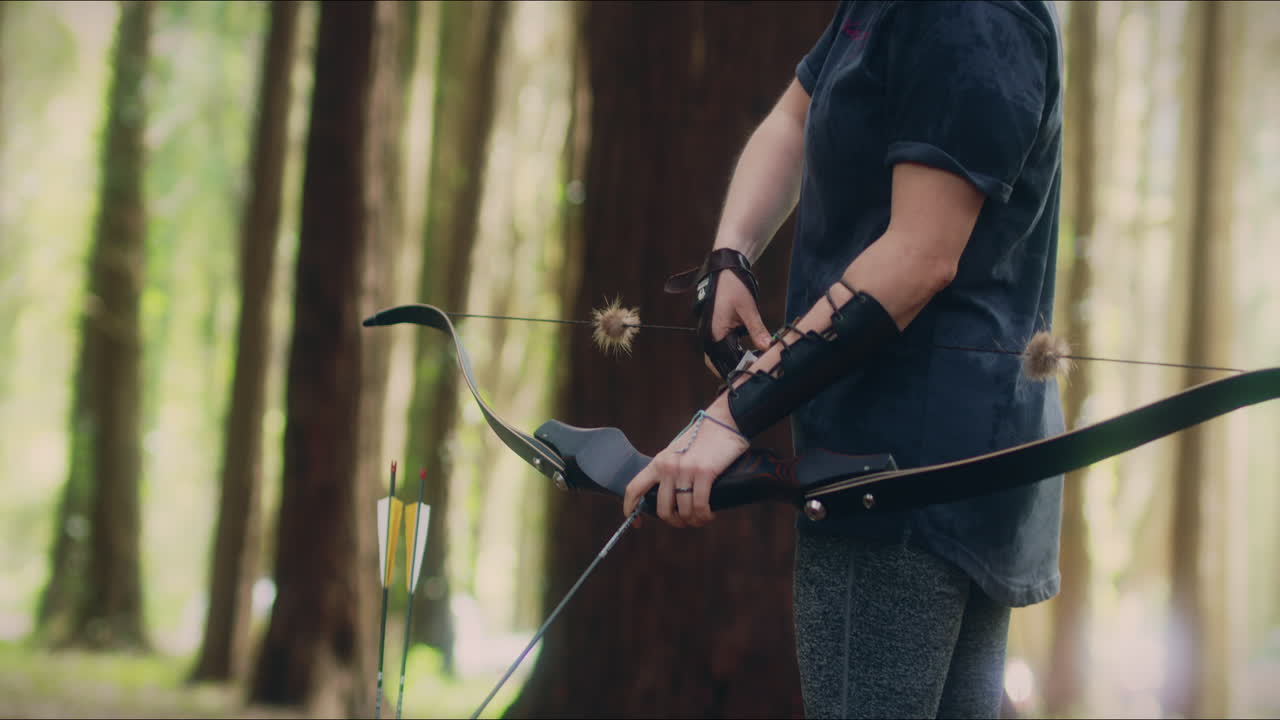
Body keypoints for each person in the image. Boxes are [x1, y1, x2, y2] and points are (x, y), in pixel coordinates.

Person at [623, 1, 1066, 717]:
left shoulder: (973, 15)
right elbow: (795, 118)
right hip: (901, 460)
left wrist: (734, 412)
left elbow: (921, 256)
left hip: (904, 478)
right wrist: (731, 254)